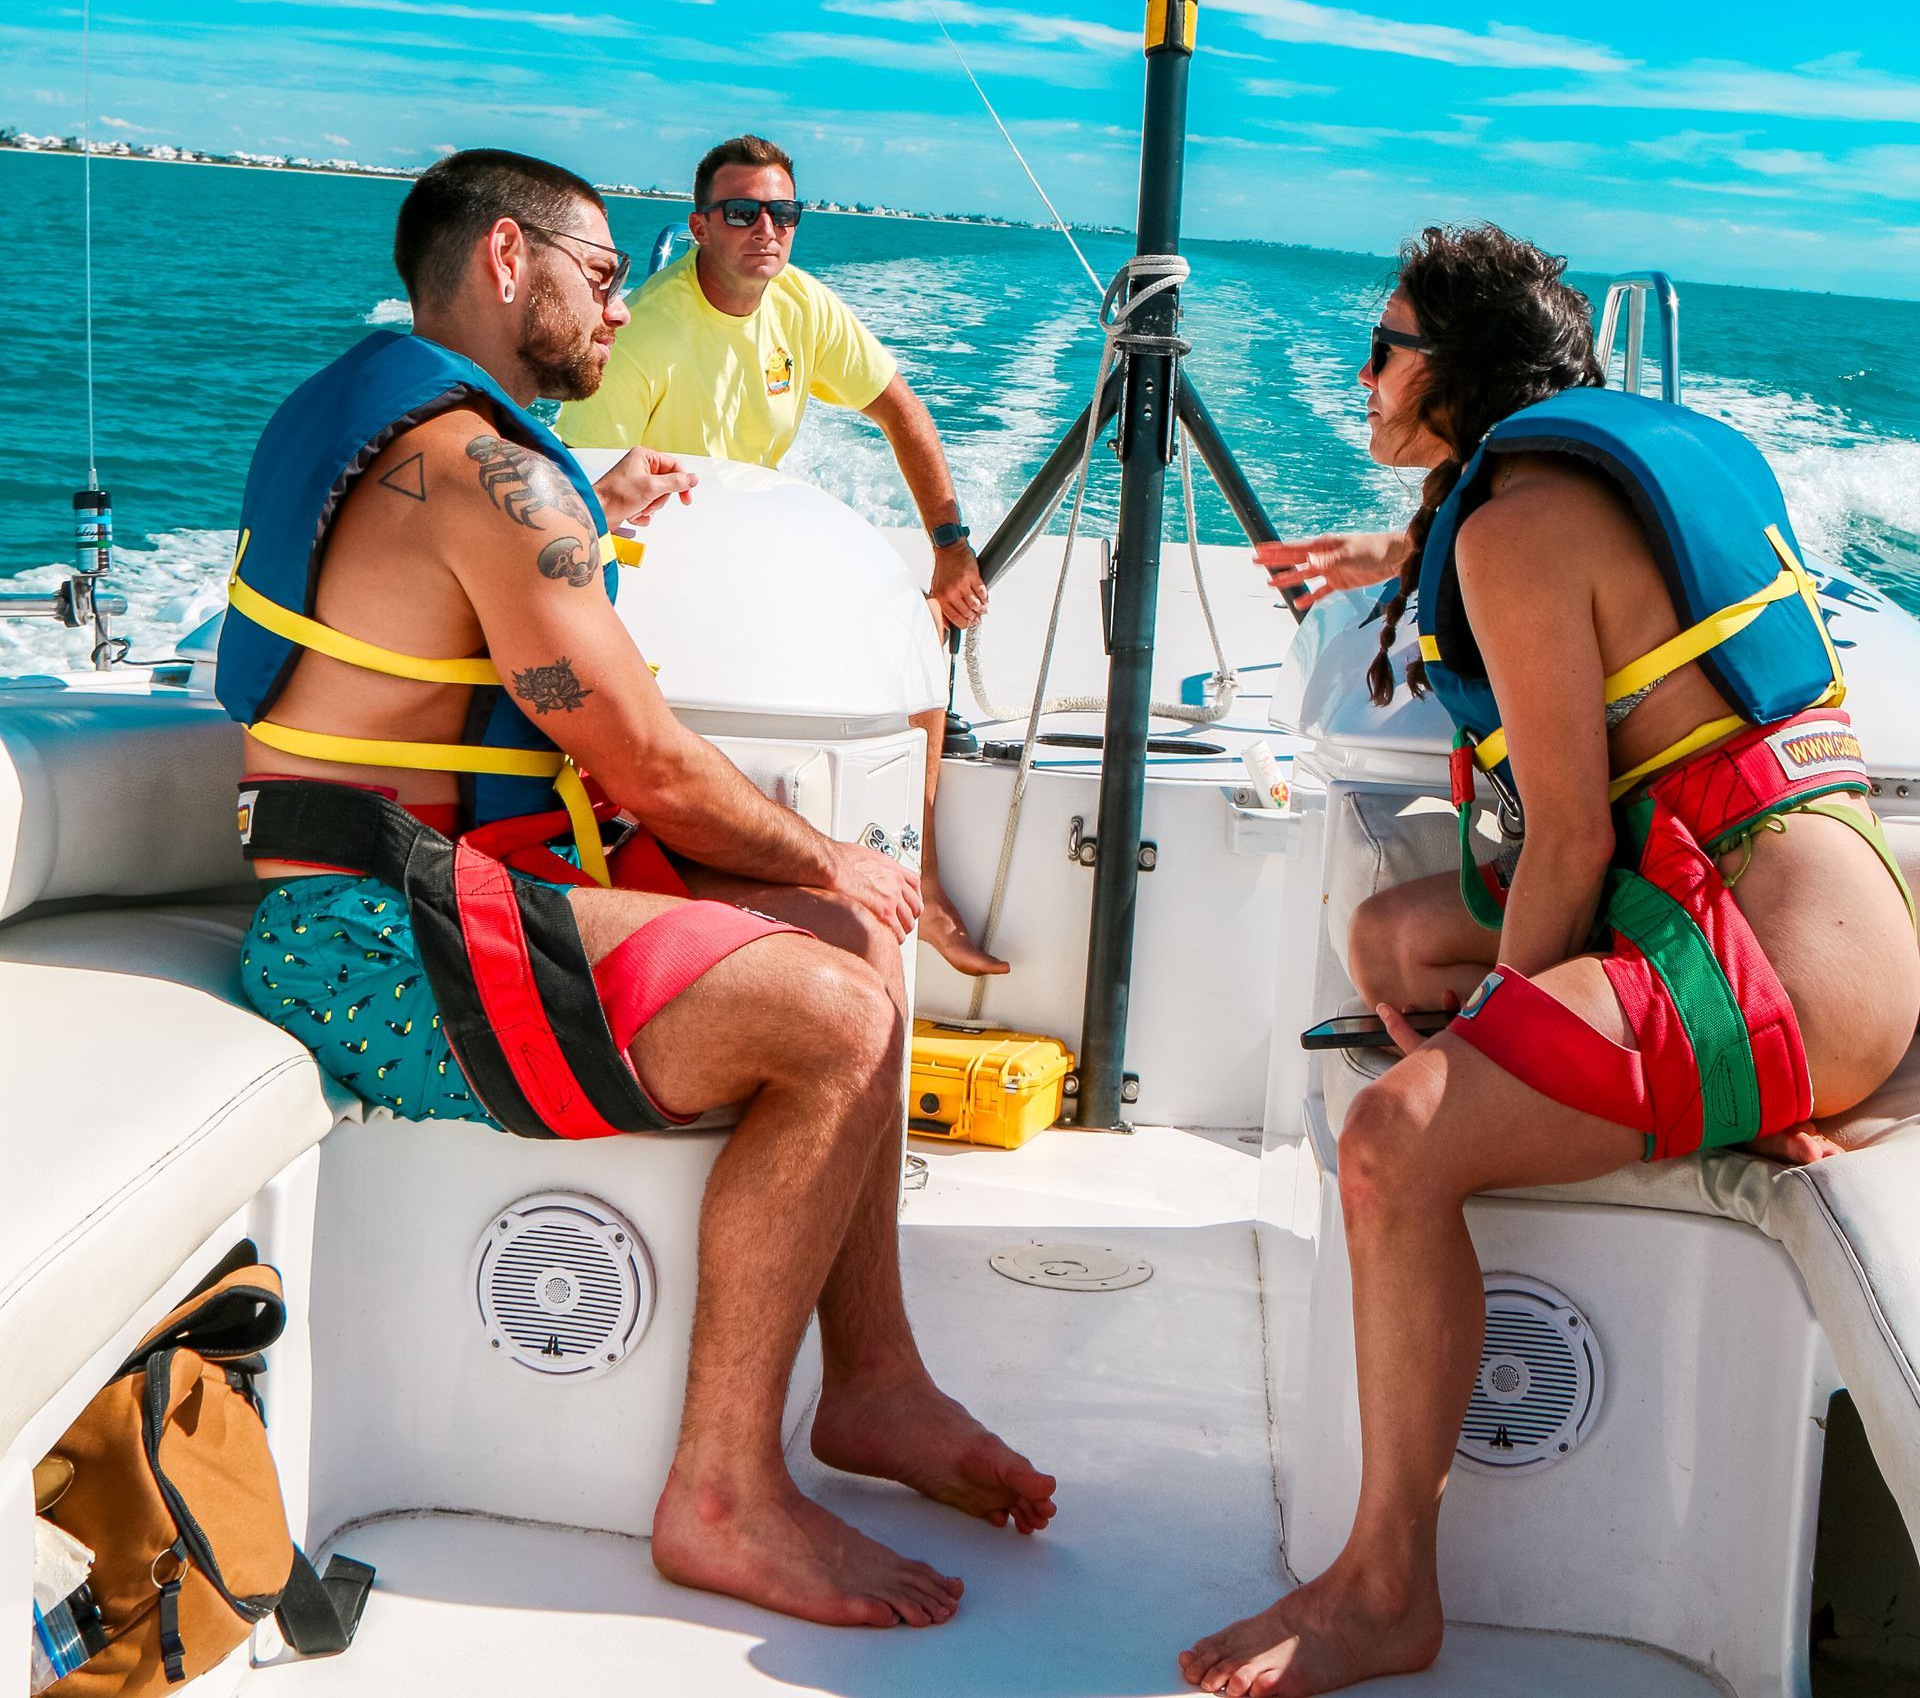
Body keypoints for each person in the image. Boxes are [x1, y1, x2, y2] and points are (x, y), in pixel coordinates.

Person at [219, 148, 1054, 1632]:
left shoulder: (419, 433)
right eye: (602, 274)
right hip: (359, 939)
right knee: (833, 1006)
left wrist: (839, 887)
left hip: (416, 894)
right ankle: (721, 1493)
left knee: (857, 934)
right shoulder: (487, 470)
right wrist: (829, 848)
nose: (621, 305)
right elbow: (650, 766)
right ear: (503, 262)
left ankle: (872, 1382)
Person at [1182, 223, 1918, 1698]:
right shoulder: (1533, 499)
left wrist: (1484, 1056)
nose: (1362, 372)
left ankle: (1388, 1588)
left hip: (1770, 959)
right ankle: (1644, 1069)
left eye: (1385, 346)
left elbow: (1569, 843)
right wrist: (1398, 548)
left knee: (1396, 1139)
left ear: (1459, 375)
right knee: (1391, 940)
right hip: (1782, 893)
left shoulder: (1517, 529)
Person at [558, 133, 1006, 977]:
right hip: (657, 575)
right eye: (741, 212)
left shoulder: (802, 306)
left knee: (914, 632)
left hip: (752, 563)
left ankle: (926, 885)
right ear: (700, 225)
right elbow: (584, 496)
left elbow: (902, 410)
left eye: (783, 212)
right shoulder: (645, 336)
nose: (766, 228)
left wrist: (951, 548)